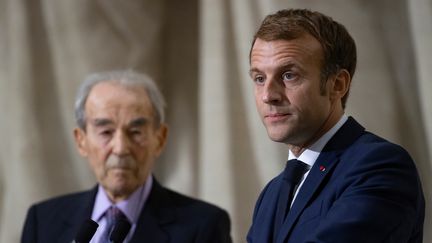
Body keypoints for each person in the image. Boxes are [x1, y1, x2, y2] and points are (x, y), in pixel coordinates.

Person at [246, 9, 425, 243]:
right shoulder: (271, 194)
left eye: (289, 75)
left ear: (337, 85)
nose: (268, 95)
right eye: (260, 78)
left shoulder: (381, 166)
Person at [21, 70, 232, 243]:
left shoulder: (204, 226)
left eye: (136, 132)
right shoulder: (43, 221)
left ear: (160, 138)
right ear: (81, 140)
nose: (121, 148)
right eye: (106, 132)